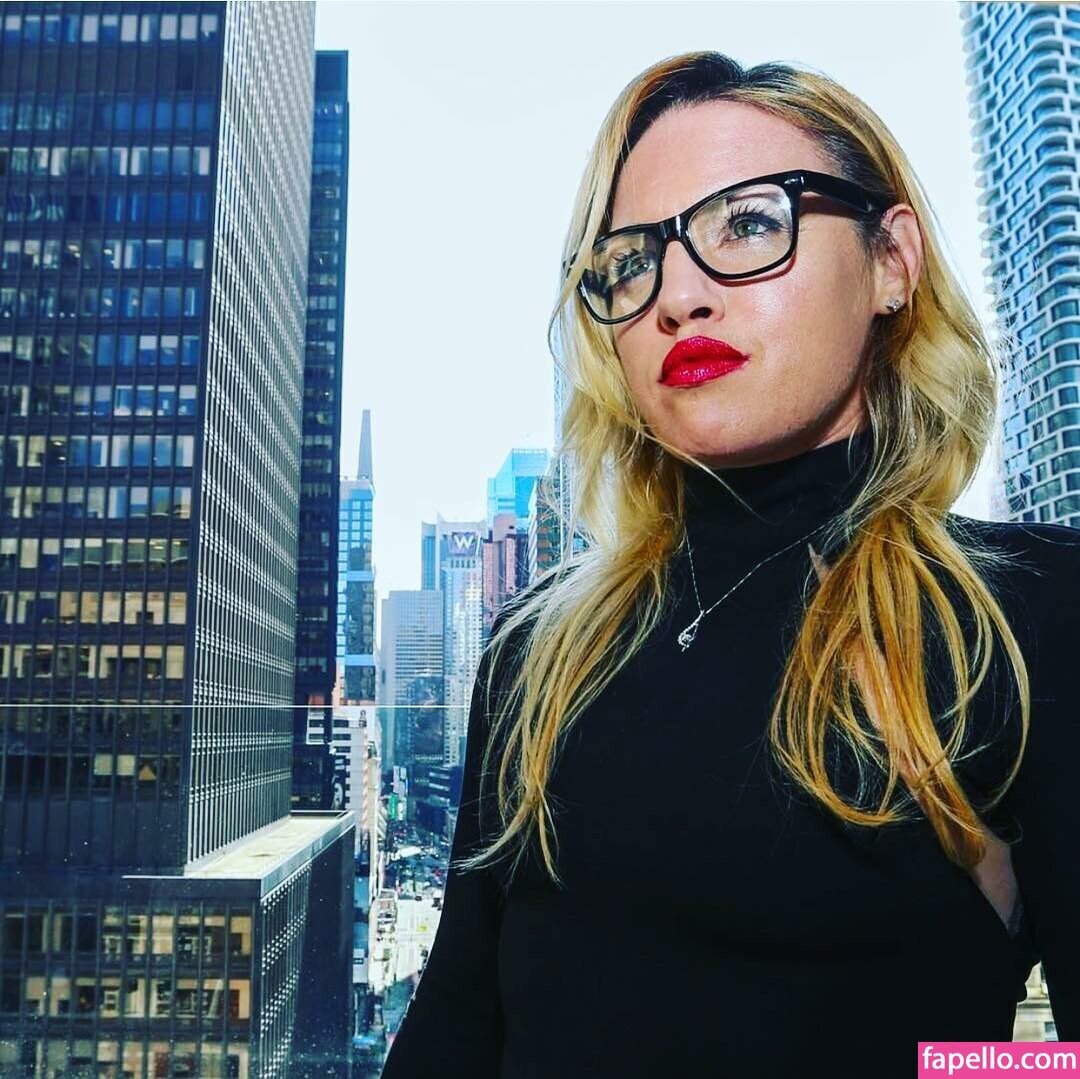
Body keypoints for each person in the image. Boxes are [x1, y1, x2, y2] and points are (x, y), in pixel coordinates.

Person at [380, 51, 1079, 1078]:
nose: (678, 295)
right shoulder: (541, 646)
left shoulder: (1028, 619)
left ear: (892, 260)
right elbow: (455, 1027)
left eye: (748, 223)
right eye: (631, 262)